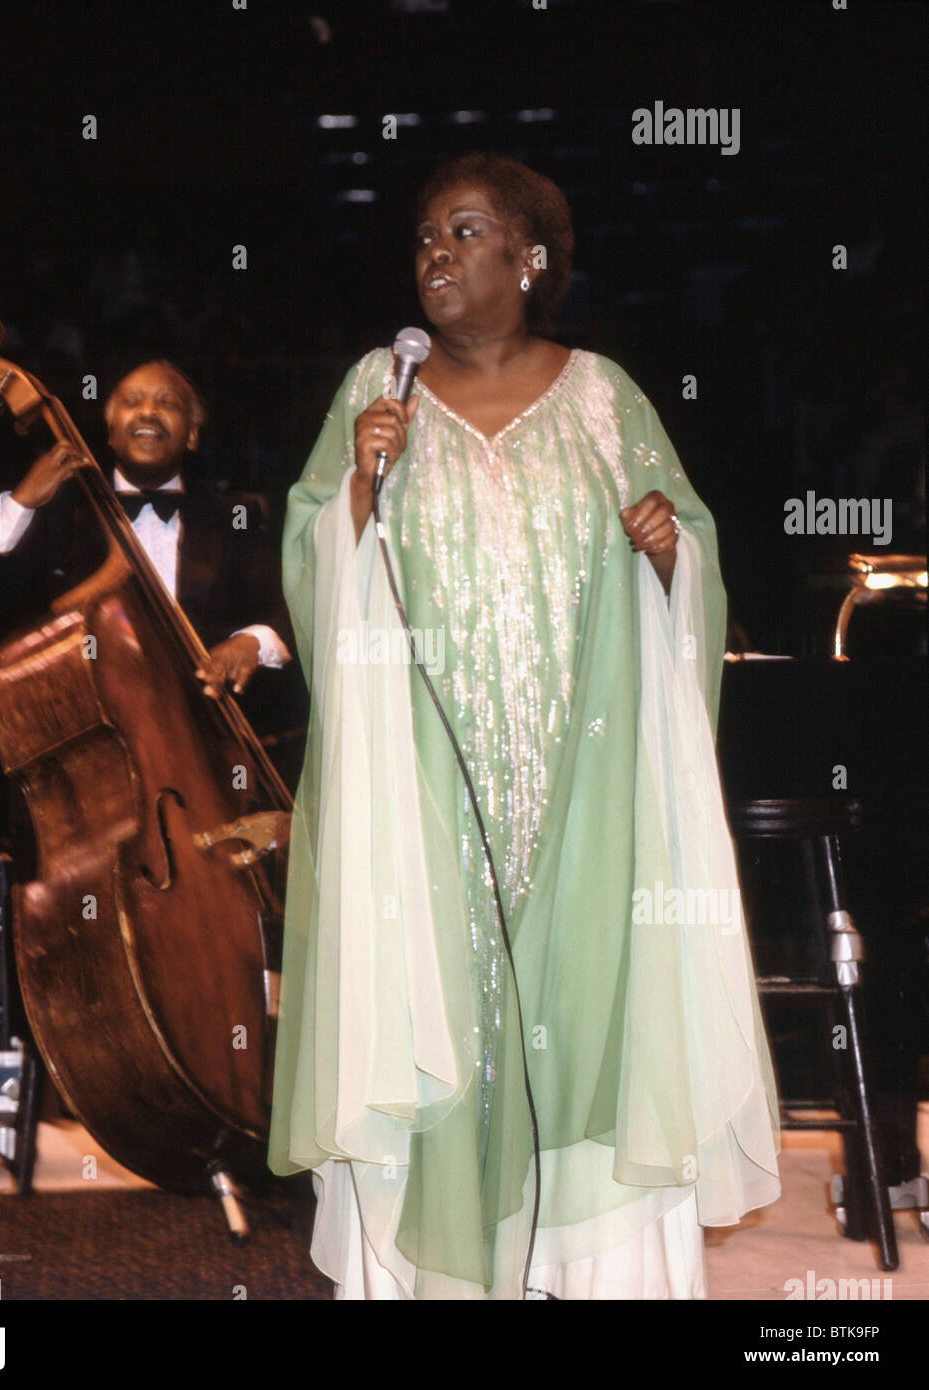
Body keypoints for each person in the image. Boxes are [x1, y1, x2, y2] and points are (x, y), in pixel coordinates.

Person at [269, 154, 781, 1300]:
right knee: (429, 1023)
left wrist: (668, 552)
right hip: (424, 805)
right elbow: (312, 565)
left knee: (589, 1020)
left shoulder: (605, 396)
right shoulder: (375, 390)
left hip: (582, 803)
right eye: (421, 238)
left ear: (530, 258)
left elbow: (694, 563)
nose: (434, 255)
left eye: (464, 232)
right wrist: (353, 496)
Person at [0, 359, 291, 697]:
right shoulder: (58, 512)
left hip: (206, 732)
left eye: (168, 403)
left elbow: (290, 618)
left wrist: (252, 642)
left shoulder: (235, 517)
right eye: (132, 401)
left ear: (192, 435)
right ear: (111, 431)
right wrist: (20, 505)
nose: (148, 412)